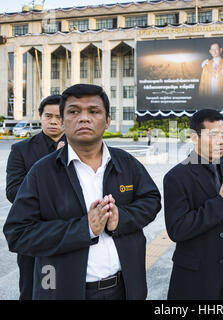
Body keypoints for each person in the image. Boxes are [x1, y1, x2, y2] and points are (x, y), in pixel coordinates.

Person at [3, 84, 162, 300]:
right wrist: (85, 228)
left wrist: (121, 218)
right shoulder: (42, 172)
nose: (84, 118)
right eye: (74, 111)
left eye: (94, 111)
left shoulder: (126, 162)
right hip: (64, 291)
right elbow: (18, 233)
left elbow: (151, 200)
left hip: (124, 289)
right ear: (63, 120)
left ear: (107, 121)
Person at [163, 109, 223, 300]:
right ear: (194, 138)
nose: (222, 141)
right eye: (214, 135)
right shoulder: (177, 177)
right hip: (198, 276)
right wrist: (222, 204)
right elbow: (177, 229)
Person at [5, 94, 66, 300]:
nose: (53, 121)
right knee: (32, 291)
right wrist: (53, 162)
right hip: (34, 233)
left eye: (59, 116)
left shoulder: (82, 148)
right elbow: (13, 192)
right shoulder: (21, 149)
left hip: (71, 231)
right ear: (40, 117)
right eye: (48, 115)